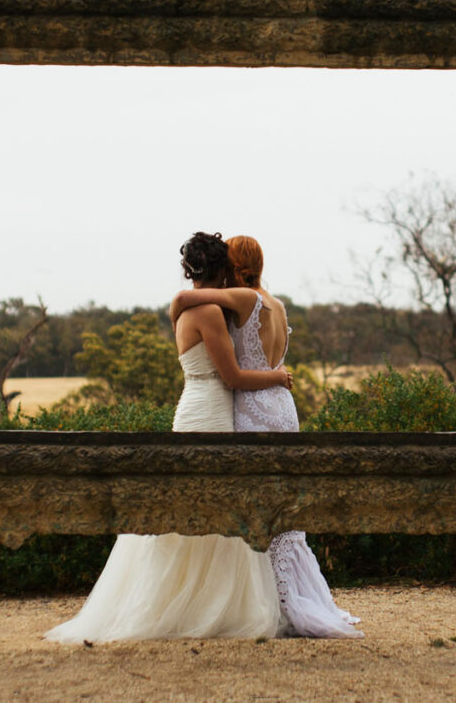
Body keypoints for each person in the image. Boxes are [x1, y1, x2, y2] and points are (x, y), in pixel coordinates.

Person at [44, 232, 292, 644]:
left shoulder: (185, 310)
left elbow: (185, 314)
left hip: (192, 406)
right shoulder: (211, 313)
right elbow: (231, 377)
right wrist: (278, 377)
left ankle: (189, 601)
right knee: (215, 508)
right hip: (211, 414)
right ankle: (203, 607)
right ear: (222, 270)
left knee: (188, 509)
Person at [170, 234, 362, 638]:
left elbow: (185, 301)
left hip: (254, 404)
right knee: (283, 511)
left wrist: (178, 303)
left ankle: (274, 598)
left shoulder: (242, 299)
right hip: (282, 406)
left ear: (235, 267)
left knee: (254, 508)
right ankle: (294, 594)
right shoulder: (276, 303)